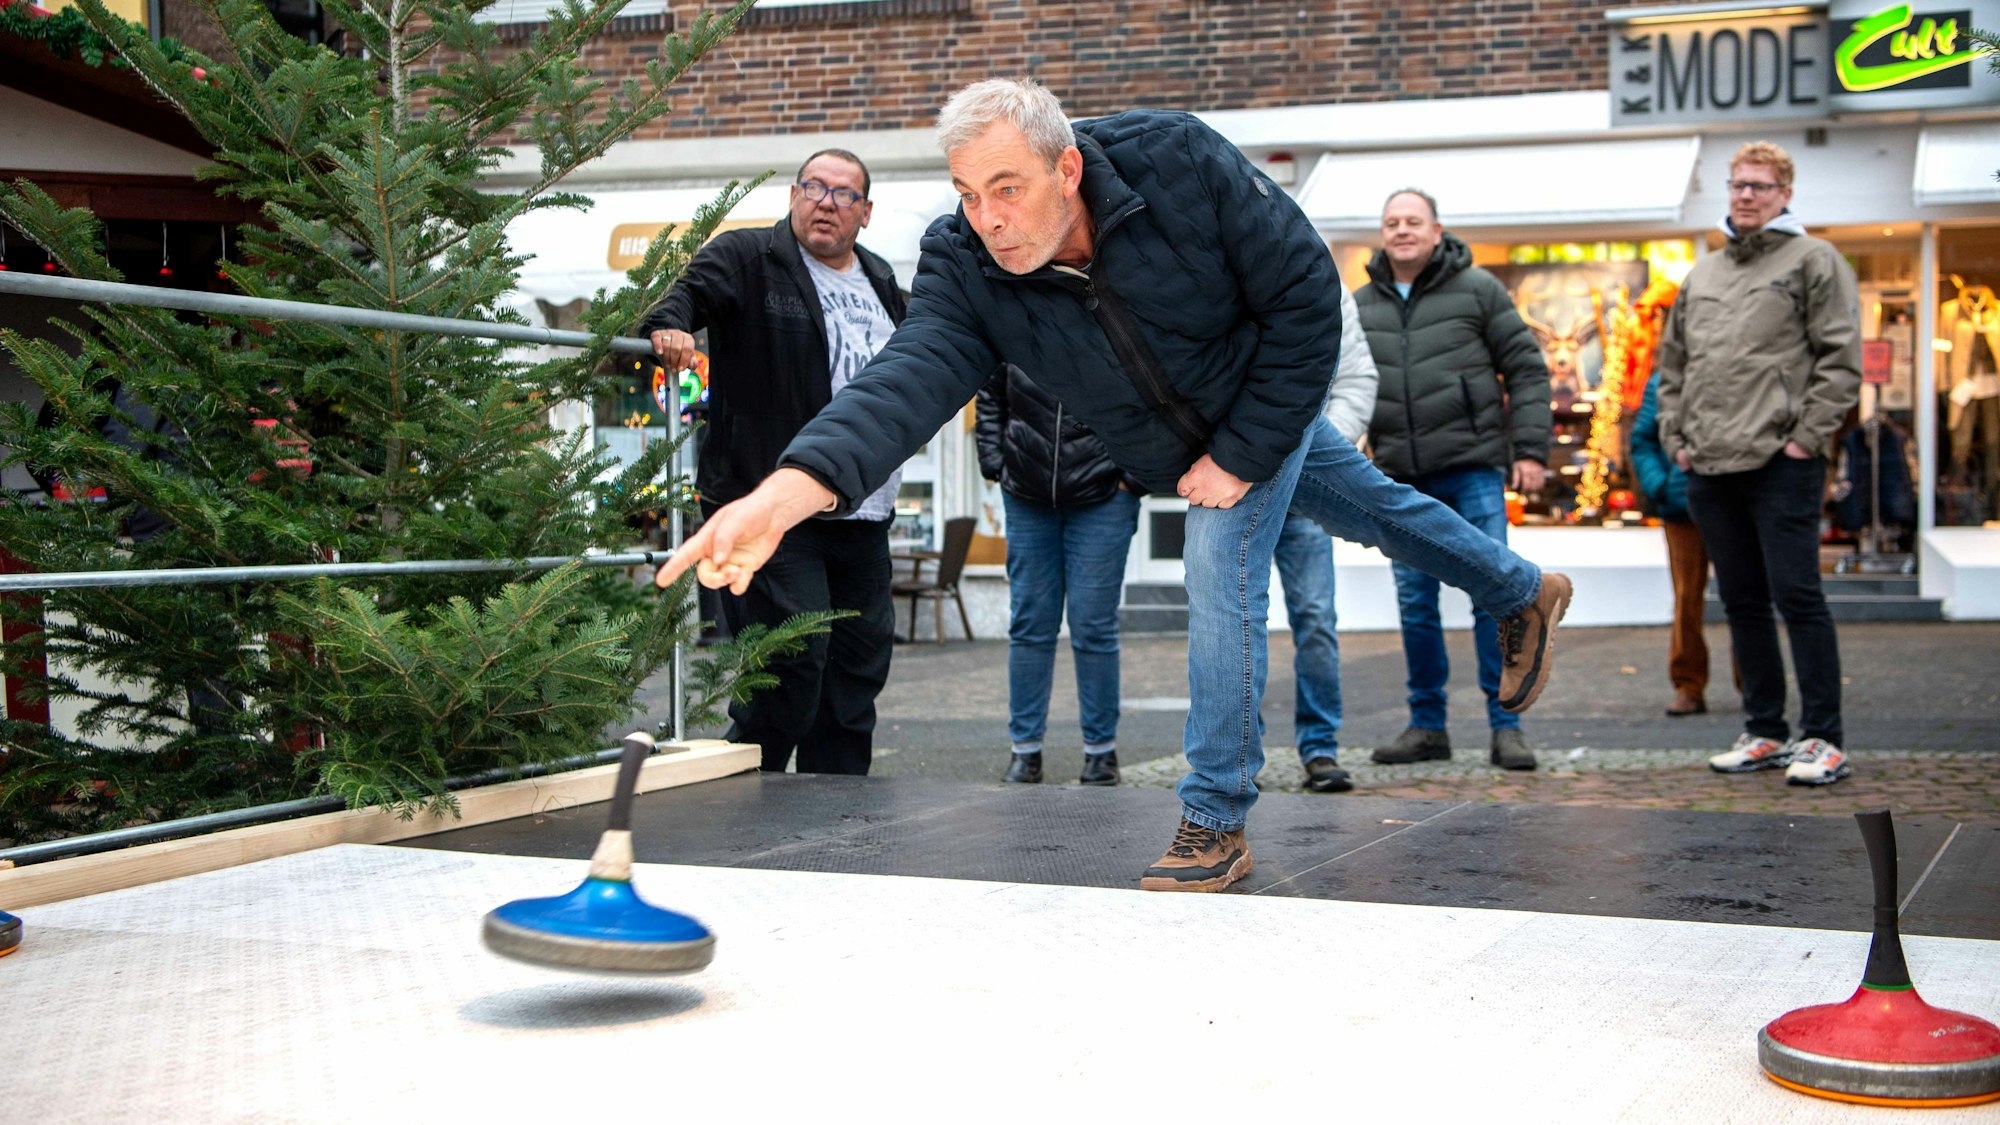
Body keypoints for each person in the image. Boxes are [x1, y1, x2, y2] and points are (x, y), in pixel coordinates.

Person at [656, 78, 1572, 892]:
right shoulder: (965, 264)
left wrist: (1244, 453)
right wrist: (782, 494)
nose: (988, 218)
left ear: (1067, 169)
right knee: (1378, 509)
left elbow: (1301, 292)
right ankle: (1522, 588)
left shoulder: (1176, 161)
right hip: (1175, 442)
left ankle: (1214, 816)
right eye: (969, 195)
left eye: (1006, 189)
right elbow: (903, 384)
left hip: (1257, 402)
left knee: (1222, 570)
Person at [639, 148, 907, 775]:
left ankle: (838, 803)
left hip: (864, 508)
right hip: (769, 501)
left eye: (845, 194)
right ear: (793, 196)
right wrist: (671, 330)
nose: (826, 202)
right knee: (794, 651)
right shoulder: (749, 259)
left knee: (857, 664)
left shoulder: (881, 278)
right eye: (815, 187)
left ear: (865, 213)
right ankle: (752, 782)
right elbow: (684, 295)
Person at [1656, 140, 1861, 787]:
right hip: (1710, 464)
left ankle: (1823, 737)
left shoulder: (1814, 260)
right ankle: (1766, 730)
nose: (1746, 195)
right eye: (1738, 184)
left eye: (1760, 186)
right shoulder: (1703, 274)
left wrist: (1806, 438)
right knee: (1741, 601)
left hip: (1782, 460)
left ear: (1785, 194)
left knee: (1798, 597)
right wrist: (1677, 439)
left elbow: (1840, 359)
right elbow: (1673, 368)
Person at [1353, 189, 1552, 772]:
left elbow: (1526, 368)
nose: (1402, 231)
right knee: (1416, 607)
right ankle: (1427, 726)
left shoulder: (1479, 289)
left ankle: (1506, 727)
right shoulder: (1362, 303)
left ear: (1437, 231)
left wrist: (1532, 450)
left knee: (1496, 597)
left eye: (1413, 221)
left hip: (1473, 469)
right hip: (1399, 482)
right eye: (1392, 222)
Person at [975, 362, 1142, 786]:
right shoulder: (1014, 312)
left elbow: (1151, 399)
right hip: (1026, 494)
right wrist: (996, 464)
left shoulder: (1118, 308)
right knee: (1031, 623)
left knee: (1093, 625)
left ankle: (1101, 754)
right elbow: (991, 393)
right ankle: (1025, 752)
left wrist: (1134, 477)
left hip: (1105, 494)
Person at [1275, 283, 1379, 794]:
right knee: (1230, 621)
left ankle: (1319, 748)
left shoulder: (1317, 277)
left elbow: (1355, 378)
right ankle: (1231, 756)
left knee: (1315, 616)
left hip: (1303, 487)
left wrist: (1313, 460)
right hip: (1230, 483)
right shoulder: (1211, 265)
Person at [1630, 369, 1712, 717]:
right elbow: (1643, 439)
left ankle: (1756, 687)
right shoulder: (1663, 380)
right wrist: (1660, 484)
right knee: (1686, 598)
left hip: (1735, 497)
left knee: (1747, 597)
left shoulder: (1739, 363)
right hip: (1681, 502)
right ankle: (1688, 685)